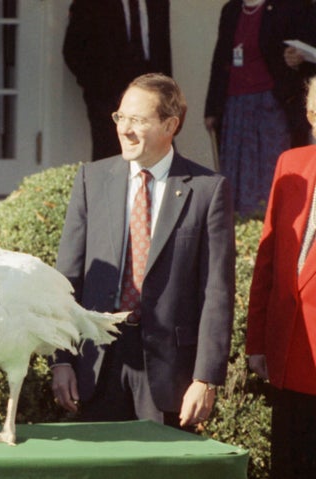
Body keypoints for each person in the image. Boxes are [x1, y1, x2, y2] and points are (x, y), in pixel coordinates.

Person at [51, 73, 236, 430]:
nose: (125, 129)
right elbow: (66, 280)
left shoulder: (207, 190)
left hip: (170, 376)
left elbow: (217, 292)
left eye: (138, 120)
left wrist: (206, 378)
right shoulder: (92, 179)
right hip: (96, 365)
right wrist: (61, 360)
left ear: (170, 124)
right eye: (121, 118)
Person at [246, 76, 316, 479]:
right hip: (287, 359)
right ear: (310, 116)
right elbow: (267, 262)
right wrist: (257, 342)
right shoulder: (291, 164)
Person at [204, 0, 311, 217]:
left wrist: (297, 58)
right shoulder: (231, 10)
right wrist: (211, 109)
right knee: (235, 178)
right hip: (235, 107)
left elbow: (306, 51)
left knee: (271, 173)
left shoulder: (290, 6)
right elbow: (220, 59)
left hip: (272, 107)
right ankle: (241, 231)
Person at [62, 0, 172, 161]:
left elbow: (163, 51)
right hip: (109, 101)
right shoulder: (90, 4)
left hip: (152, 98)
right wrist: (99, 90)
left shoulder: (158, 3)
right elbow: (72, 51)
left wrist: (167, 95)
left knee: (157, 159)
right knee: (111, 161)